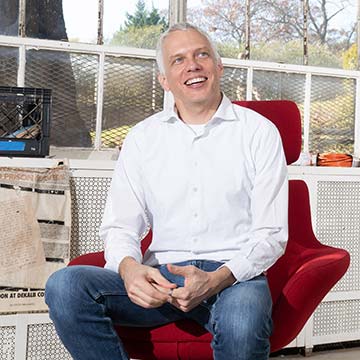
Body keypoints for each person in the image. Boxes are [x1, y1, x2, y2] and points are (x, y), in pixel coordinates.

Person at [45, 22, 288, 360]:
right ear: (164, 80)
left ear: (219, 66)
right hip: (164, 279)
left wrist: (217, 278)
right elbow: (121, 225)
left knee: (243, 321)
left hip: (233, 278)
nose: (192, 65)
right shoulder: (143, 138)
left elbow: (272, 234)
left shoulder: (259, 133)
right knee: (65, 286)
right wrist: (130, 270)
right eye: (178, 60)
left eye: (202, 54)